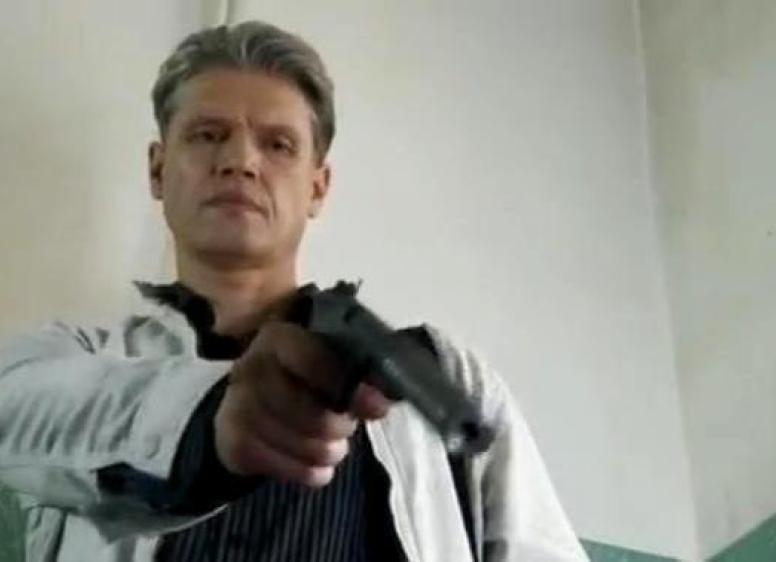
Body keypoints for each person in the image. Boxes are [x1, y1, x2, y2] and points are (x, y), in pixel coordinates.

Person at [0, 20, 589, 562]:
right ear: (158, 170)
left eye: (278, 145)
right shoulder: (73, 357)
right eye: (208, 135)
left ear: (318, 187)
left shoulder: (445, 374)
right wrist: (204, 425)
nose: (240, 161)